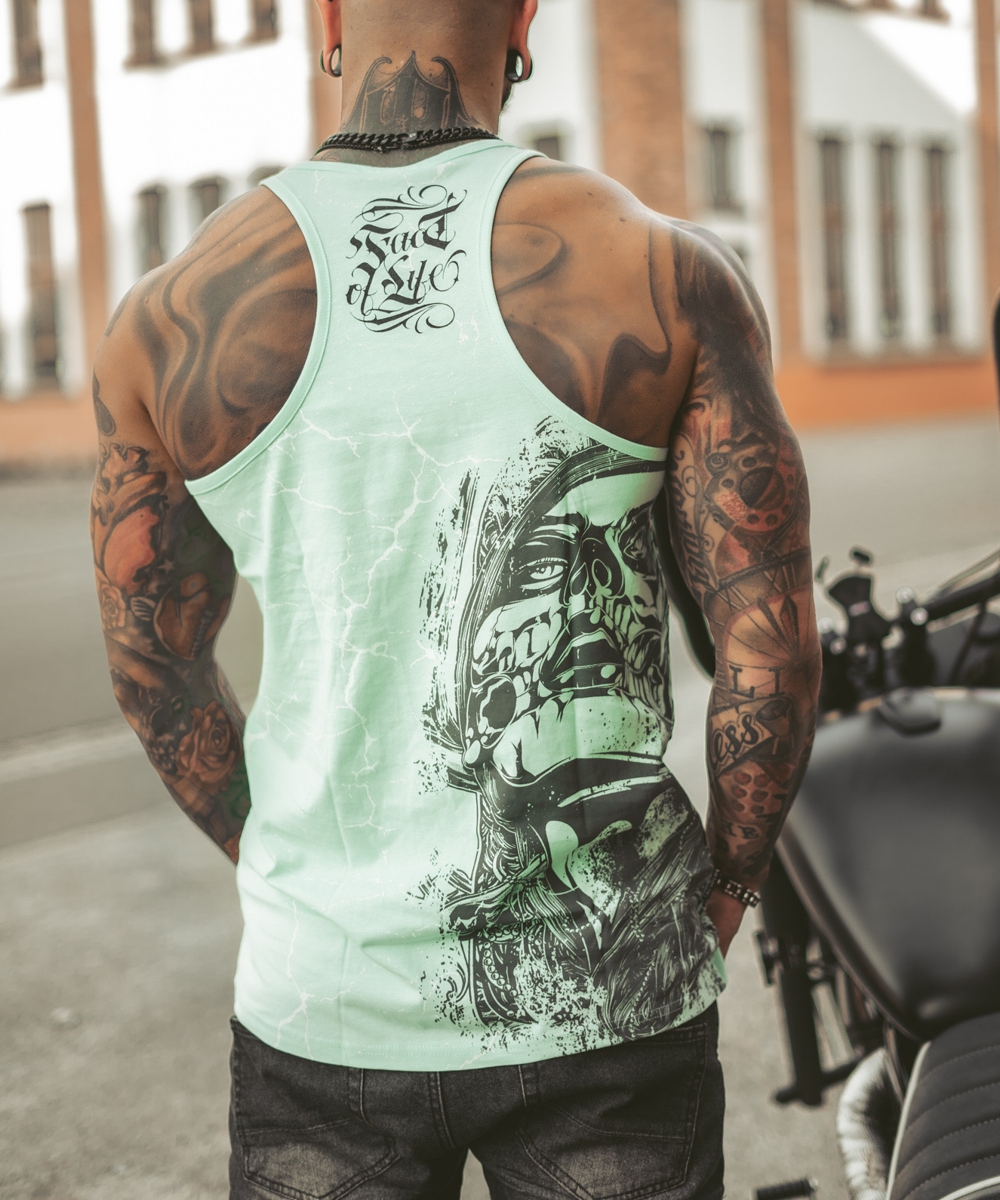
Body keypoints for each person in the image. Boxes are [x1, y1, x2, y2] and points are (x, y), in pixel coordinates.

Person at [90, 1, 822, 1196]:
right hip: (609, 987)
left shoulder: (173, 316)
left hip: (322, 996)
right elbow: (768, 649)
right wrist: (729, 887)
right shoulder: (658, 271)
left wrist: (285, 866)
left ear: (326, 17)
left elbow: (150, 668)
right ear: (525, 18)